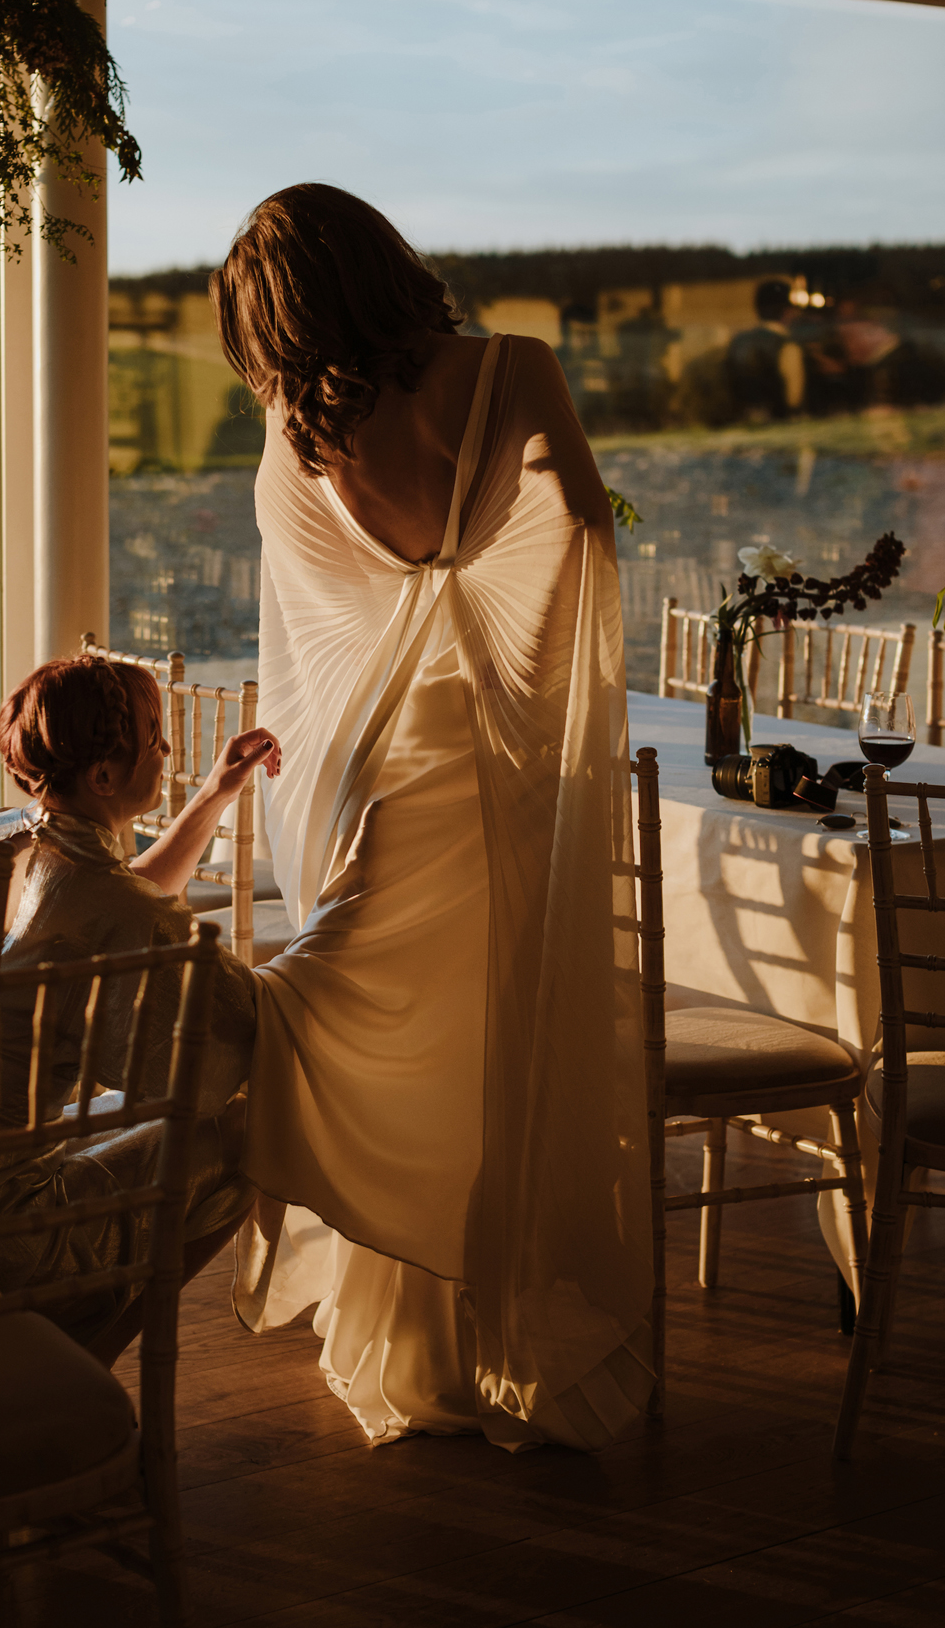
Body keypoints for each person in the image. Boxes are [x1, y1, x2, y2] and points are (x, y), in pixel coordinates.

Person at [210, 183, 653, 1452]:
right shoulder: (511, 367)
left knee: (391, 1013)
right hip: (480, 761)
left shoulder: (297, 436)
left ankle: (403, 1314)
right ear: (381, 258)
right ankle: (481, 1332)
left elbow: (313, 630)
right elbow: (577, 533)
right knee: (491, 1036)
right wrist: (519, 687)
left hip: (366, 764)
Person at [0, 653, 280, 1365]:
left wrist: (217, 794)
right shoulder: (103, 901)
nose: (165, 753)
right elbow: (225, 1038)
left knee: (117, 1123)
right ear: (103, 777)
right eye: (154, 739)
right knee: (246, 1125)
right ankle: (72, 1364)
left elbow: (120, 898)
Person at [725, 279, 806, 422]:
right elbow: (793, 397)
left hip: (742, 421)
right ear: (787, 311)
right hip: (778, 423)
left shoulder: (738, 341)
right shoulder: (787, 346)